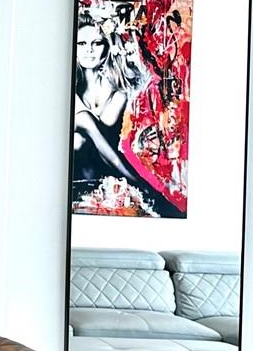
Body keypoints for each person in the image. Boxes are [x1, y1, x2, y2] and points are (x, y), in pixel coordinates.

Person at [71, 12, 181, 218]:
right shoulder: (71, 90)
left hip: (114, 171)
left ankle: (144, 188)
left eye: (96, 43)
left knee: (82, 127)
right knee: (79, 133)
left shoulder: (119, 91)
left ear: (107, 47)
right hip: (85, 172)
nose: (89, 50)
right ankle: (145, 188)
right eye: (82, 43)